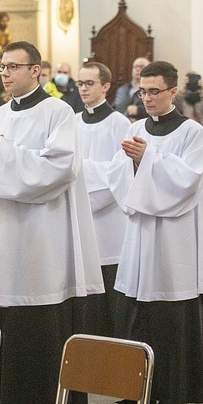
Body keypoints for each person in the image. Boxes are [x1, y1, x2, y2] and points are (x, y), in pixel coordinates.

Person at [0, 41, 103, 404]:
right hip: (6, 232)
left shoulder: (58, 112)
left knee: (39, 322)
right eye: (3, 67)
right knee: (8, 321)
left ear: (36, 71)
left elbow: (60, 168)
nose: (6, 74)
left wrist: (4, 154)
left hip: (42, 236)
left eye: (13, 67)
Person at [107, 60, 203, 404]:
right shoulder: (136, 127)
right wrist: (135, 164)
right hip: (142, 234)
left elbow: (187, 181)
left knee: (171, 314)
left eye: (154, 91)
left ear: (172, 91)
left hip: (175, 239)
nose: (147, 97)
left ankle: (172, 392)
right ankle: (135, 387)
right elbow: (118, 175)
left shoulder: (192, 133)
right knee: (136, 311)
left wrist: (148, 158)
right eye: (143, 90)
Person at [76, 62, 132, 338]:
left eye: (89, 83)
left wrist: (81, 170)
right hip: (78, 220)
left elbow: (119, 174)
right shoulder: (73, 122)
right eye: (80, 84)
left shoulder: (119, 124)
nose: (83, 89)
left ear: (106, 87)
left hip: (108, 222)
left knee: (110, 302)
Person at [113, 57, 150, 122]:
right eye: (136, 67)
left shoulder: (152, 90)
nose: (138, 69)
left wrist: (139, 110)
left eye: (142, 67)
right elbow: (115, 107)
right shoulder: (122, 89)